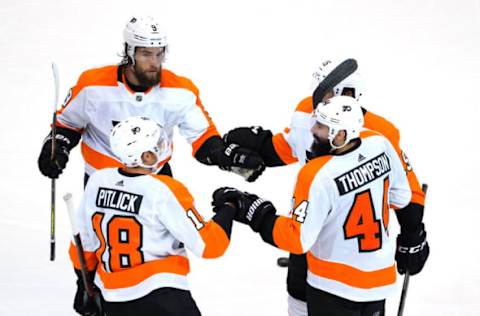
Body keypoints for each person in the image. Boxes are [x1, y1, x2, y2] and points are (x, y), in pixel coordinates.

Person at [223, 59, 428, 315]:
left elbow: (408, 191)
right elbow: (290, 146)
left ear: (348, 94)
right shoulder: (311, 115)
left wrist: (412, 234)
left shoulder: (380, 134)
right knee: (298, 292)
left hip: (345, 254)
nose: (317, 104)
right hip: (311, 226)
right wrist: (259, 147)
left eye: (327, 93)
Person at [37, 16, 264, 186]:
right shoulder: (92, 86)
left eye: (159, 53)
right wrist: (56, 146)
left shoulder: (181, 91)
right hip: (103, 179)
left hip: (155, 178)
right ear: (129, 51)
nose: (155, 62)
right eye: (146, 54)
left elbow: (203, 138)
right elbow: (67, 124)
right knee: (100, 248)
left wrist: (226, 156)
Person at [69, 116, 238, 316]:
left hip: (113, 300)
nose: (164, 146)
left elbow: (83, 245)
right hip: (163, 297)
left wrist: (83, 283)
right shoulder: (164, 189)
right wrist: (229, 207)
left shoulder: (98, 181)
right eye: (158, 144)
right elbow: (211, 246)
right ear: (146, 156)